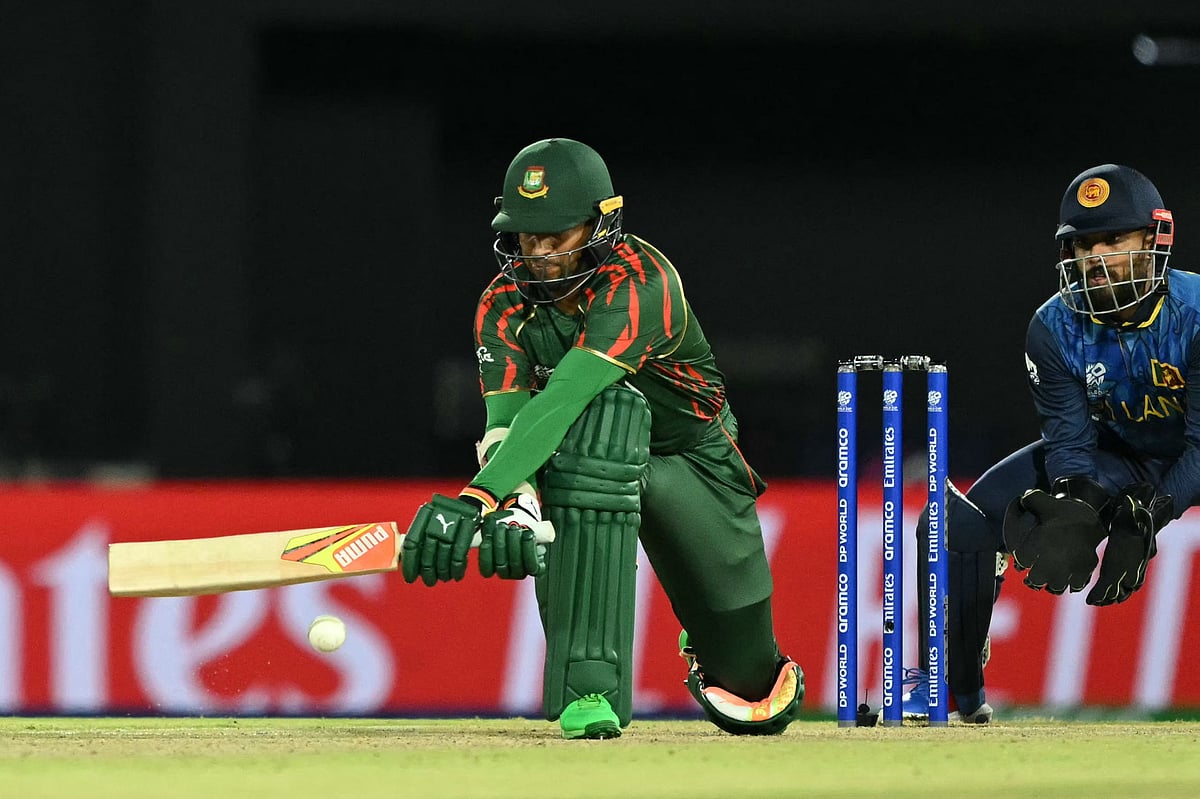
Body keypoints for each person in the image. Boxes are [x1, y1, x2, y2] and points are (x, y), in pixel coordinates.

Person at [398, 137, 803, 739]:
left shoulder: (640, 282)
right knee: (601, 429)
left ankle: (715, 640)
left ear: (601, 223)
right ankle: (589, 689)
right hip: (584, 456)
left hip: (692, 455)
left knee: (750, 691)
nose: (539, 253)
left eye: (556, 236)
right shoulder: (502, 305)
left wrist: (480, 496)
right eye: (527, 237)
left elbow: (564, 394)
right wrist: (517, 502)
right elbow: (507, 422)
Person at [903, 163, 1194, 724]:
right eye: (1084, 244)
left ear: (1155, 239)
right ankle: (951, 693)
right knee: (956, 524)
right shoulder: (1054, 326)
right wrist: (1077, 500)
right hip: (1121, 454)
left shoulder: (1197, 314)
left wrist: (1151, 516)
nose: (1097, 258)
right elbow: (1070, 439)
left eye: (1114, 239)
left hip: (1192, 456)